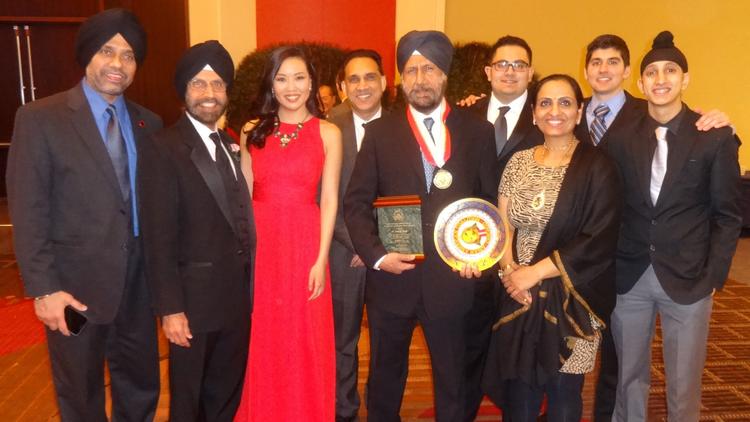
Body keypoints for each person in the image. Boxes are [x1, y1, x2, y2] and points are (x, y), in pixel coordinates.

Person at [5, 8, 160, 421]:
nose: (118, 64)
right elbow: (28, 209)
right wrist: (44, 289)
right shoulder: (40, 119)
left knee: (141, 387)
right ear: (89, 54)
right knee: (80, 396)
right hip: (74, 290)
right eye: (108, 51)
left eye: (128, 55)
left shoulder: (151, 123)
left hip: (139, 289)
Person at [575, 33, 737, 422]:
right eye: (652, 72)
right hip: (630, 277)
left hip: (690, 280)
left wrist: (714, 275)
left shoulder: (713, 137)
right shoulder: (621, 139)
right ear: (640, 82)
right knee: (628, 379)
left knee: (684, 385)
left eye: (669, 70)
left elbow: (728, 215)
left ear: (685, 79)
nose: (660, 78)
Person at [344, 30, 499, 421]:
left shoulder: (478, 132)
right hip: (393, 280)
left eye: (428, 69)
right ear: (400, 78)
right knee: (385, 378)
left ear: (444, 75)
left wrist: (480, 258)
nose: (420, 79)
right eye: (410, 70)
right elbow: (356, 203)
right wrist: (376, 257)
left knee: (454, 381)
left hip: (453, 280)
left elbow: (489, 204)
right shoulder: (380, 134)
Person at [482, 74, 622, 422]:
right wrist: (509, 272)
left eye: (564, 102)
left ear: (579, 112)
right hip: (516, 293)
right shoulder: (518, 162)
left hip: (573, 295)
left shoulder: (598, 167)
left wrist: (533, 274)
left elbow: (598, 237)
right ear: (534, 113)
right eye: (545, 103)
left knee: (563, 393)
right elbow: (503, 226)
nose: (554, 111)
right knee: (519, 393)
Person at [139, 40, 255, 421]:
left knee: (225, 396)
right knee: (188, 402)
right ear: (184, 91)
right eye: (199, 84)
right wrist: (170, 309)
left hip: (235, 301)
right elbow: (158, 237)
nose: (209, 94)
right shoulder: (163, 147)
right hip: (192, 306)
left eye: (218, 85)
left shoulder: (230, 143)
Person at [234, 46, 342, 421]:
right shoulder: (252, 130)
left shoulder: (328, 133)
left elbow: (329, 199)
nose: (291, 87)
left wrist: (320, 258)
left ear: (312, 82)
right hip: (262, 243)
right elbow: (243, 194)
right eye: (281, 78)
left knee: (303, 338)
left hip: (305, 243)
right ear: (271, 84)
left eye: (299, 77)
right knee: (263, 334)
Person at [327, 48, 387, 422]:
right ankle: (343, 411)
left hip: (389, 255)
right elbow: (321, 196)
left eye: (370, 77)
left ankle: (381, 410)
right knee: (342, 343)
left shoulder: (403, 124)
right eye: (354, 79)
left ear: (383, 82)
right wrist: (360, 245)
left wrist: (376, 248)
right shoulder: (327, 126)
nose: (362, 86)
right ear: (343, 86)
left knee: (387, 342)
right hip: (342, 251)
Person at [466, 35, 543, 173]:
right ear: (489, 72)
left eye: (519, 65)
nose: (509, 72)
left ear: (530, 73)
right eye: (501, 65)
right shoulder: (466, 114)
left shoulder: (545, 116)